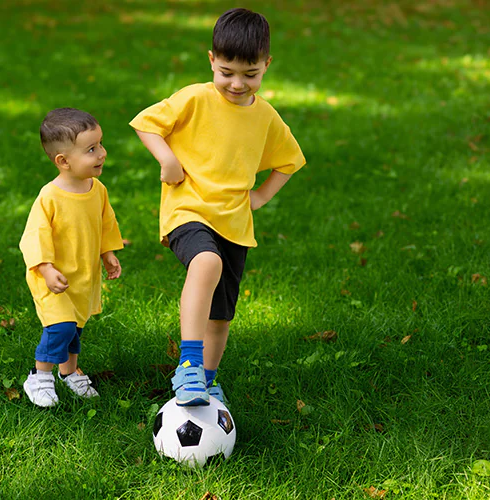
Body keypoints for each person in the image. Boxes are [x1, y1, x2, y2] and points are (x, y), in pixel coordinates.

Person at [130, 8, 306, 406]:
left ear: (266, 66)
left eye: (250, 74)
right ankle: (188, 366)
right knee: (205, 262)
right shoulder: (194, 98)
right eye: (226, 72)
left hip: (234, 224)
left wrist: (260, 196)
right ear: (211, 59)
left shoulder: (265, 117)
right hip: (188, 209)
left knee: (221, 316)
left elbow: (290, 160)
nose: (237, 83)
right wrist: (167, 159)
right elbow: (146, 124)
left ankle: (206, 381)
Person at [19, 108, 124, 408]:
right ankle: (39, 376)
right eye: (91, 149)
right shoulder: (49, 197)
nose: (102, 153)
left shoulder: (97, 190)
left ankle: (69, 372)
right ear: (63, 162)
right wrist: (46, 268)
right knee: (61, 327)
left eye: (101, 144)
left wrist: (108, 253)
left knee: (76, 327)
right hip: (52, 277)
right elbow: (34, 237)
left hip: (81, 277)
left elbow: (105, 224)